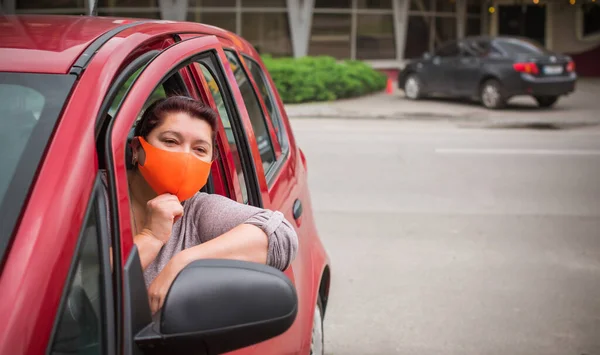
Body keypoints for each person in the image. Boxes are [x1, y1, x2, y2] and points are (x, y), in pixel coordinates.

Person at [124, 96, 298, 313]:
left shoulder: (197, 210)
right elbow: (84, 284)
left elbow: (282, 238)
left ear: (209, 165)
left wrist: (184, 262)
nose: (185, 156)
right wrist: (151, 237)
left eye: (199, 149)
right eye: (170, 141)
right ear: (137, 149)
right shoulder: (96, 194)